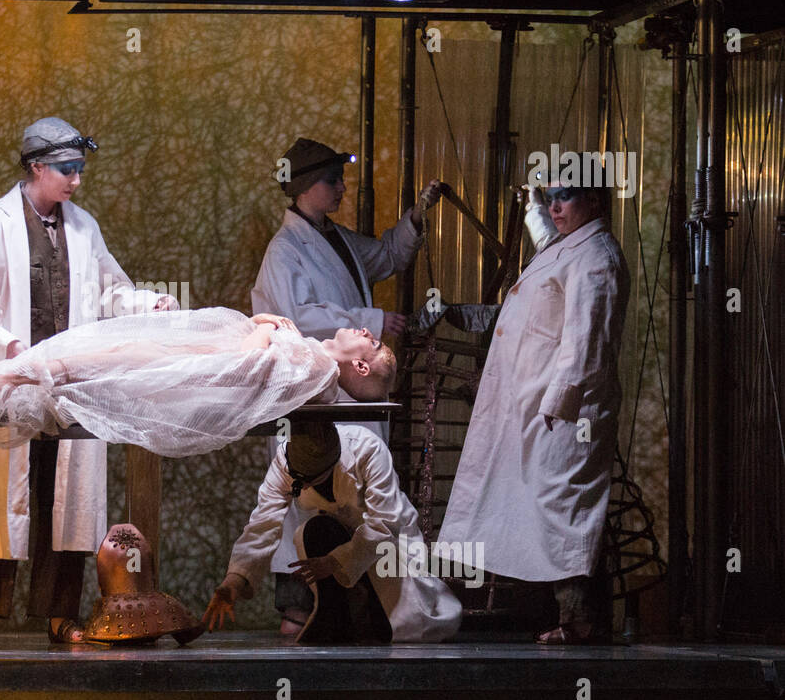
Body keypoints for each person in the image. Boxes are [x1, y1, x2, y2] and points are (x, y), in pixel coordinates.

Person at [0, 117, 176, 645]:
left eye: (80, 170)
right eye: (66, 170)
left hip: (68, 386)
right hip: (13, 382)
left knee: (63, 502)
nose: (75, 180)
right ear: (36, 167)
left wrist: (147, 302)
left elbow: (111, 291)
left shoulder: (84, 228)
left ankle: (60, 613)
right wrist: (10, 348)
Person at [0, 310, 397, 495]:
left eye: (372, 343)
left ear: (361, 366)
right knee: (41, 374)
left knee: (49, 371)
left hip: (172, 370)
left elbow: (246, 366)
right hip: (174, 365)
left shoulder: (317, 364)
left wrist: (265, 333)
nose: (365, 332)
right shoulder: (313, 355)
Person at [251, 136, 443, 635]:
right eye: (331, 181)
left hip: (346, 394)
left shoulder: (332, 238)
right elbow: (295, 318)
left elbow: (381, 258)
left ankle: (355, 607)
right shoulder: (285, 250)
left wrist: (416, 219)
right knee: (305, 499)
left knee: (353, 499)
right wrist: (370, 318)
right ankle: (299, 606)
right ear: (304, 188)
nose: (340, 188)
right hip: (314, 396)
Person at [437, 181, 629, 644]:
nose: (556, 206)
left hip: (567, 411)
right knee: (539, 508)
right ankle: (559, 616)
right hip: (535, 405)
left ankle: (579, 620)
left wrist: (560, 404)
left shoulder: (597, 258)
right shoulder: (569, 246)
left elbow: (588, 343)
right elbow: (548, 240)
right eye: (552, 197)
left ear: (595, 201)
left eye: (566, 197)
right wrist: (531, 207)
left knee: (564, 508)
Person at [204, 421, 461, 643]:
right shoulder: (284, 461)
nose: (303, 486)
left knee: (409, 627)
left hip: (389, 542)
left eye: (311, 481)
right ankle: (337, 617)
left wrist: (336, 561)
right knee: (313, 531)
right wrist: (233, 581)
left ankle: (373, 617)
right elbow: (263, 524)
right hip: (337, 534)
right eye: (299, 480)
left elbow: (385, 522)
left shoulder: (367, 449)